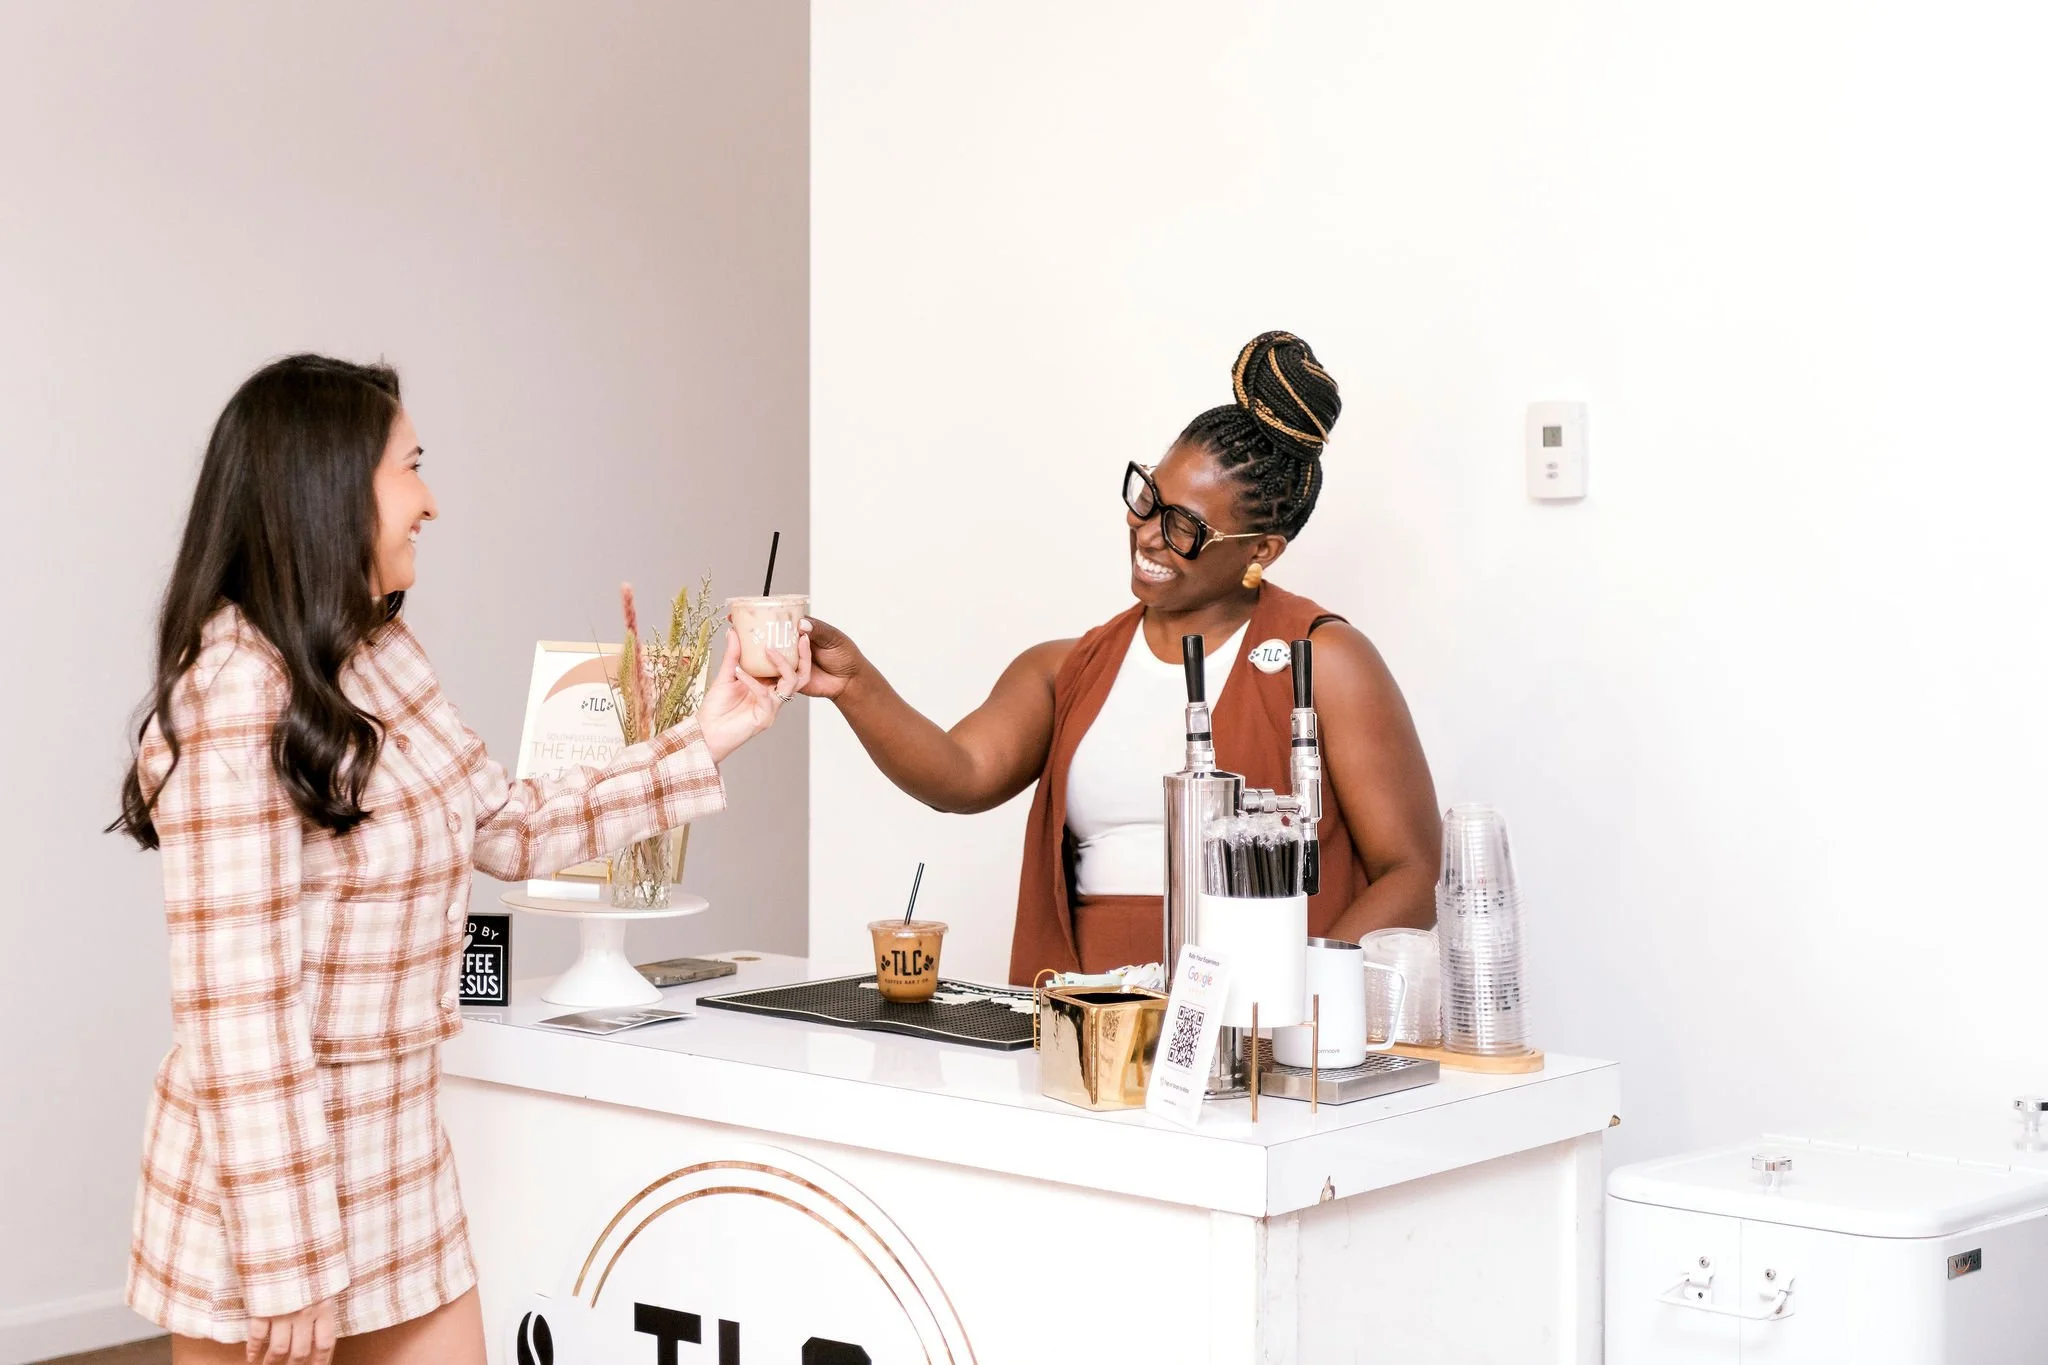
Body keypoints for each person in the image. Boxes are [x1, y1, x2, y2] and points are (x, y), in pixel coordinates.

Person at [111, 355, 810, 1364]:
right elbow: (237, 1010)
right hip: (268, 1185)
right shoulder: (230, 694)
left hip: (396, 1150)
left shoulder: (380, 656)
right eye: (412, 468)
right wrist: (285, 1257)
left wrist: (709, 735)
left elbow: (512, 825)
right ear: (328, 491)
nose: (429, 502)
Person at [803, 331, 1438, 983]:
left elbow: (1411, 872)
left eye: (1184, 526)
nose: (1147, 533)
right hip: (1087, 1034)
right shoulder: (1068, 669)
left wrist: (1295, 998)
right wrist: (852, 680)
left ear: (1261, 551)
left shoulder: (1323, 660)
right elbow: (958, 775)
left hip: (1256, 1030)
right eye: (1146, 499)